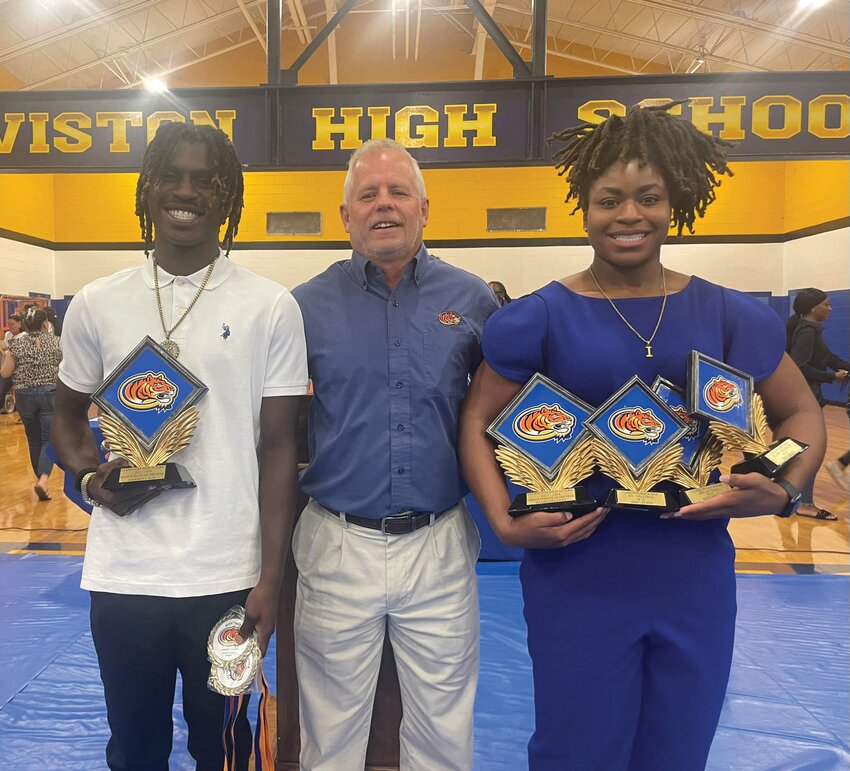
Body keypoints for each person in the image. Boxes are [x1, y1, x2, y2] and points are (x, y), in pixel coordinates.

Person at [458, 103, 826, 771]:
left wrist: (779, 480)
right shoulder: (539, 316)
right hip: (578, 568)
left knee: (678, 747)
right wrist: (504, 523)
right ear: (584, 207)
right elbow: (477, 422)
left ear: (675, 200)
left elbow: (801, 416)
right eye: (610, 200)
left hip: (693, 568)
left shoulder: (727, 313)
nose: (629, 214)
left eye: (648, 197)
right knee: (576, 749)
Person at [50, 121, 308, 771]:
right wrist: (88, 480)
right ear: (148, 188)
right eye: (172, 175)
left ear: (228, 197)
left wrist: (270, 579)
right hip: (124, 576)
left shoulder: (271, 306)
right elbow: (66, 418)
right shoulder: (96, 302)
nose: (187, 190)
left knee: (222, 748)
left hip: (226, 577)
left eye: (206, 179)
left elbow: (280, 448)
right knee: (134, 750)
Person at [291, 138, 499, 771]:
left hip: (438, 542)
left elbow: (505, 417)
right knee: (329, 734)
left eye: (398, 192)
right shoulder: (300, 307)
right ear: (346, 216)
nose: (384, 205)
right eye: (368, 195)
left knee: (442, 730)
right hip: (335, 542)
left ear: (425, 209)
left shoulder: (472, 301)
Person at [786, 288, 849, 509]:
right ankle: (804, 504)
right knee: (810, 449)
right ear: (814, 308)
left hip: (811, 397)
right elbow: (800, 367)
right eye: (827, 304)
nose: (830, 309)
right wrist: (832, 377)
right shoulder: (806, 332)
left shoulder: (812, 330)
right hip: (807, 397)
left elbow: (829, 358)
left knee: (801, 447)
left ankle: (793, 497)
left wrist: (843, 368)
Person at [1, 306, 62, 500]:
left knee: (33, 439)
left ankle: (40, 480)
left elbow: (5, 373)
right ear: (46, 323)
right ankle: (43, 480)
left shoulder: (15, 345)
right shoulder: (57, 343)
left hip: (24, 394)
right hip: (49, 392)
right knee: (48, 438)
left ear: (24, 324)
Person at [0, 312, 25, 406]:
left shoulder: (24, 336)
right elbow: (4, 347)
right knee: (1, 390)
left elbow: (11, 350)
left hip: (19, 371)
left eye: (12, 324)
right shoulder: (8, 335)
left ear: (19, 323)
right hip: (7, 368)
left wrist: (5, 351)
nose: (10, 327)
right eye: (8, 324)